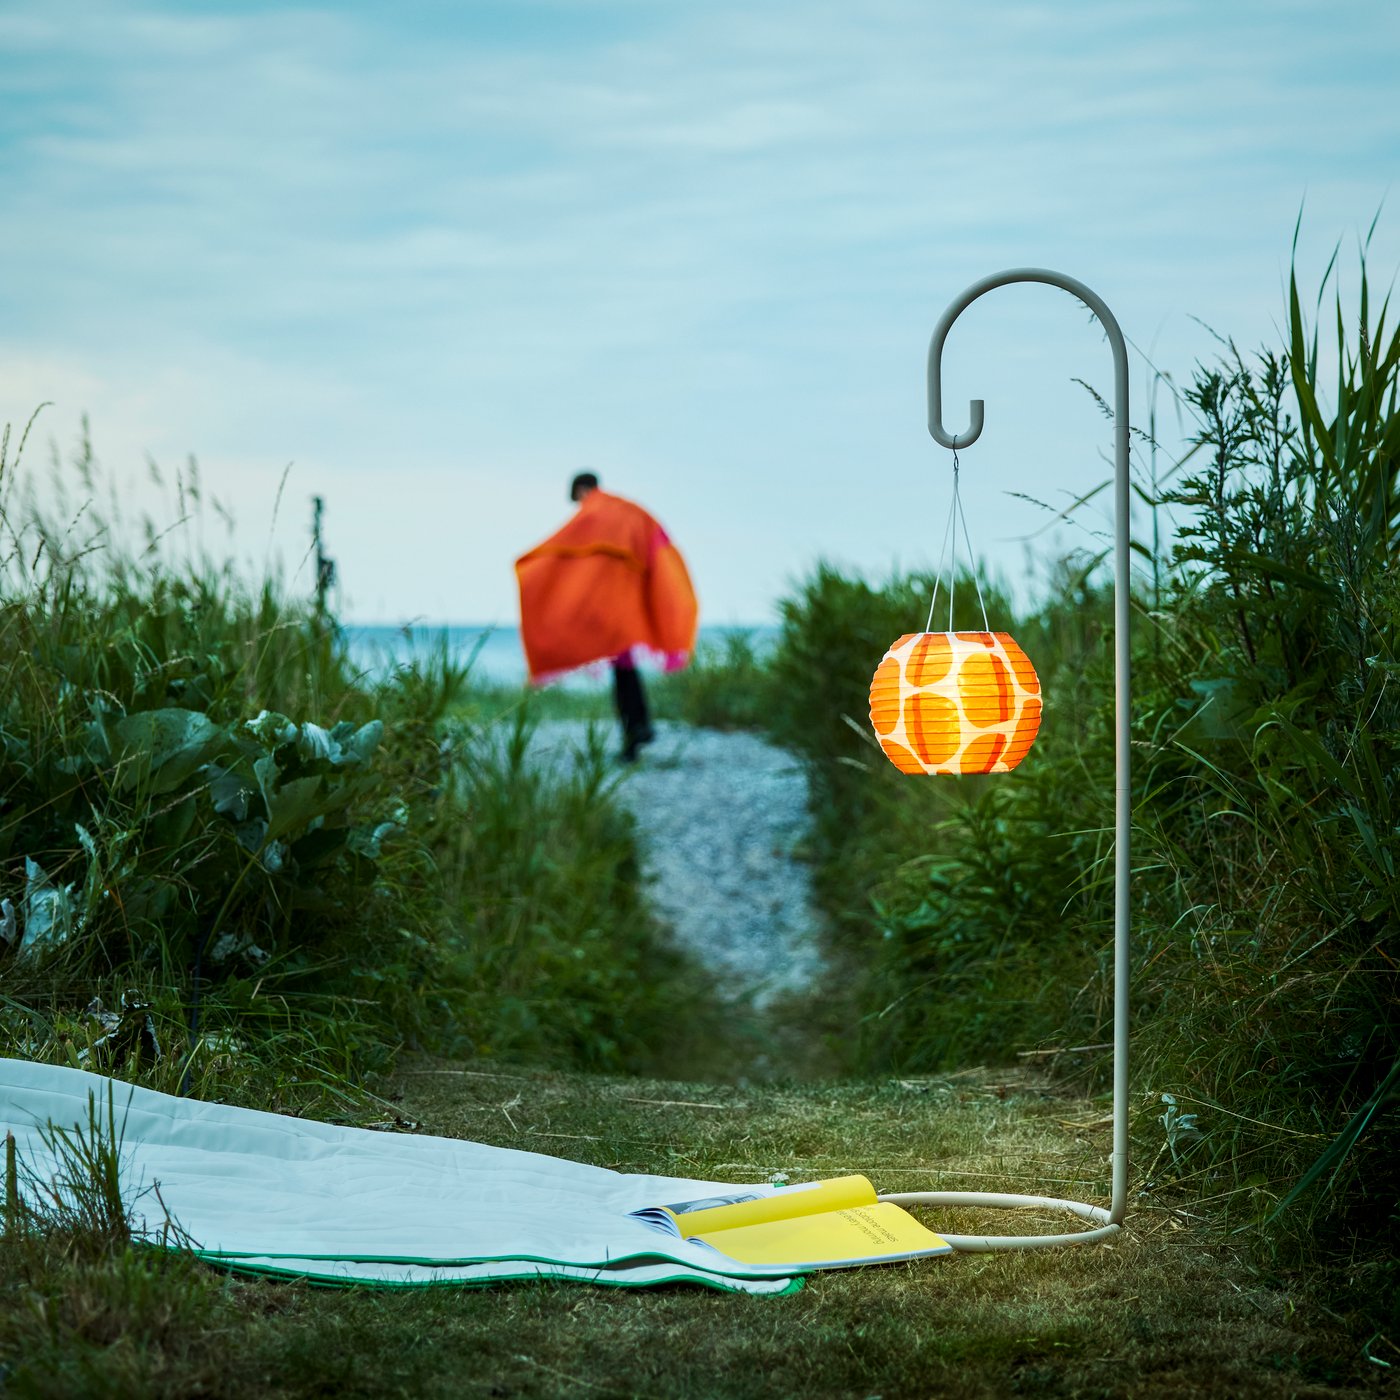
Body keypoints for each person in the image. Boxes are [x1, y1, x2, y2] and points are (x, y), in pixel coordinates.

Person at [515, 472, 698, 761]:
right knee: (626, 671)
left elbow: (565, 544)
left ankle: (635, 734)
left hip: (613, 612)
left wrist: (534, 559)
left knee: (623, 675)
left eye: (577, 499)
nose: (580, 506)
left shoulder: (596, 511)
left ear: (582, 490)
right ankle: (639, 730)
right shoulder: (630, 512)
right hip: (631, 609)